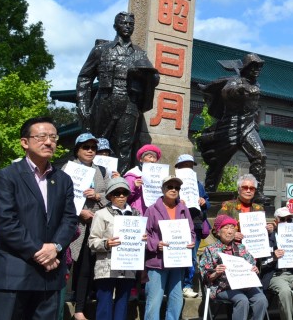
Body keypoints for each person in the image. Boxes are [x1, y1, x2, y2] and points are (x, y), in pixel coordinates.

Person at [0, 116, 77, 320]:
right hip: (14, 273)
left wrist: (56, 247)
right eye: (41, 136)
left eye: (53, 137)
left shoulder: (63, 180)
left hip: (50, 276)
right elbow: (5, 222)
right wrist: (39, 251)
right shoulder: (7, 176)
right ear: (24, 142)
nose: (49, 142)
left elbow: (69, 219)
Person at [76, 11, 160, 173]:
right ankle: (93, 180)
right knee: (98, 143)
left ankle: (118, 186)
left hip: (129, 103)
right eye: (124, 23)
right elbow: (85, 77)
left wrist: (142, 74)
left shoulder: (139, 53)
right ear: (115, 26)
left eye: (131, 24)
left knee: (124, 146)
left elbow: (154, 77)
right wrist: (83, 105)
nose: (128, 27)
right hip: (105, 100)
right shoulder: (101, 50)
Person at [199, 53, 268, 200]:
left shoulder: (256, 84)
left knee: (260, 156)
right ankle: (208, 193)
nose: (256, 69)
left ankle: (258, 193)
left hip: (248, 127)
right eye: (253, 66)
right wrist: (237, 91)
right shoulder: (235, 82)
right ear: (245, 68)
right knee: (217, 162)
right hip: (231, 127)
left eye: (259, 67)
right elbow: (227, 91)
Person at [62, 132, 109, 320]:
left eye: (93, 148)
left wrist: (97, 196)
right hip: (73, 225)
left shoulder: (102, 171)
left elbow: (110, 196)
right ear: (77, 150)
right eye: (86, 147)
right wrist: (79, 212)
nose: (90, 151)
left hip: (95, 226)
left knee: (86, 268)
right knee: (68, 263)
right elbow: (61, 198)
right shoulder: (68, 168)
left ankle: (80, 309)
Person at [88, 177, 145, 320]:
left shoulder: (136, 214)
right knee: (104, 306)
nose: (120, 196)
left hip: (128, 266)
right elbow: (92, 241)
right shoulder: (101, 214)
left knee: (122, 305)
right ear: (109, 195)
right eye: (116, 193)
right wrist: (106, 243)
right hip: (107, 267)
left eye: (124, 193)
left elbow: (140, 240)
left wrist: (143, 239)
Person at [144, 175, 196, 320]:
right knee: (154, 301)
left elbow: (191, 231)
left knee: (176, 300)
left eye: (177, 188)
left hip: (177, 261)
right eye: (170, 187)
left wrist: (190, 241)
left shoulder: (184, 209)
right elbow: (145, 234)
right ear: (163, 189)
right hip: (157, 262)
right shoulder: (152, 209)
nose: (174, 190)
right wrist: (156, 244)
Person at [199, 214, 268, 320]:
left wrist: (254, 269)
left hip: (244, 285)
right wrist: (216, 273)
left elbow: (251, 264)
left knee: (261, 299)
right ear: (218, 231)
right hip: (222, 287)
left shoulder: (241, 247)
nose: (230, 231)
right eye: (226, 228)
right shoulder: (211, 249)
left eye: (232, 228)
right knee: (242, 300)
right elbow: (205, 276)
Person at [173, 153, 211, 299]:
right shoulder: (173, 183)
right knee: (177, 255)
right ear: (178, 167)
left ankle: (187, 285)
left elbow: (207, 202)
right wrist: (178, 202)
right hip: (179, 225)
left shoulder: (198, 184)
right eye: (184, 165)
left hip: (196, 225)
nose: (188, 167)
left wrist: (203, 202)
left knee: (192, 257)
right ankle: (175, 285)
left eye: (190, 165)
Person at [124, 144, 161, 214]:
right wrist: (133, 186)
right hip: (137, 213)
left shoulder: (159, 177)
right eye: (150, 157)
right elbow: (123, 198)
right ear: (141, 159)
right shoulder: (132, 175)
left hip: (154, 214)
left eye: (155, 157)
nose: (152, 160)